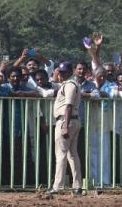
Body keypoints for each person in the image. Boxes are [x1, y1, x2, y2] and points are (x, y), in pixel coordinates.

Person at [48, 62, 83, 195]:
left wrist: (65, 125)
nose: (61, 74)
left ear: (70, 72)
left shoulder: (69, 85)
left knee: (61, 154)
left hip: (65, 120)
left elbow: (68, 105)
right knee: (72, 154)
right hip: (72, 120)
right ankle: (77, 185)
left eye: (64, 72)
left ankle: (58, 186)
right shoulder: (70, 84)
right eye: (60, 71)